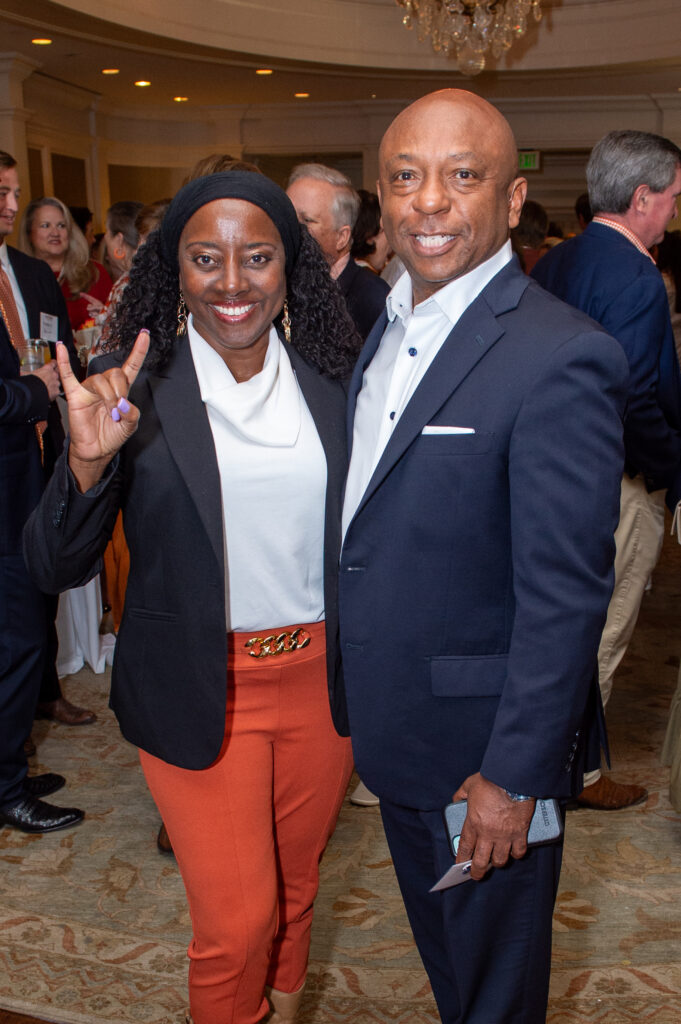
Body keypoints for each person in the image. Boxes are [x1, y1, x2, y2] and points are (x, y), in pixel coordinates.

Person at [24, 171, 360, 1023]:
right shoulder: (129, 387)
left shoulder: (339, 380)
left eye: (257, 256)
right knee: (237, 920)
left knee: (294, 887)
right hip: (196, 687)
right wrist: (87, 464)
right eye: (205, 258)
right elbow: (52, 565)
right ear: (174, 267)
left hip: (323, 686)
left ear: (292, 265)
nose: (233, 281)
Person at [338, 90, 628, 1024]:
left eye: (462, 176)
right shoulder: (382, 330)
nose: (430, 200)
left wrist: (511, 777)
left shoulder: (559, 355)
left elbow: (564, 596)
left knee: (496, 999)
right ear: (381, 196)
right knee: (453, 982)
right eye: (407, 176)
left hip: (484, 764)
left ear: (509, 202)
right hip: (401, 737)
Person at [532, 130, 681, 810]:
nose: (675, 213)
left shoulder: (553, 264)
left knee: (559, 623)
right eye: (673, 198)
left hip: (550, 476)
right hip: (617, 483)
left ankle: (560, 768)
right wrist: (671, 466)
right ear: (642, 197)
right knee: (603, 630)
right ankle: (571, 774)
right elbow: (634, 400)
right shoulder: (637, 278)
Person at [0, 149, 84, 833]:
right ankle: (7, 788)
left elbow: (66, 363)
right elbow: (34, 384)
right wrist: (30, 393)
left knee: (30, 631)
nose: (8, 205)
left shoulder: (29, 273)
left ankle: (10, 765)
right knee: (17, 640)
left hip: (38, 478)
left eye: (13, 193)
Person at [287, 163, 389, 339]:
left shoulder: (373, 300)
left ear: (342, 237)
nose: (290, 228)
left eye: (306, 220)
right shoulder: (278, 291)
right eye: (287, 216)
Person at [18, 196, 112, 331]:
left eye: (61, 225)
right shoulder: (18, 278)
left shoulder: (95, 273)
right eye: (46, 225)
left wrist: (107, 317)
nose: (55, 233)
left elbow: (120, 329)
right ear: (29, 233)